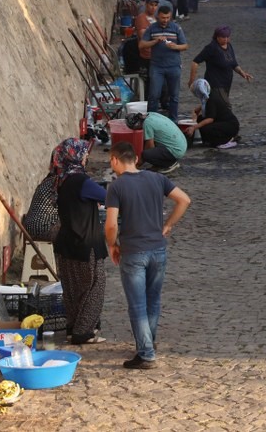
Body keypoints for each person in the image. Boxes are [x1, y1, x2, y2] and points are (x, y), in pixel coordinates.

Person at [105, 142, 191, 370]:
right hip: (158, 249)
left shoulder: (116, 187)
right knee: (153, 299)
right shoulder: (156, 179)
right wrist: (168, 225)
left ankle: (146, 353)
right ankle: (148, 342)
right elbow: (184, 200)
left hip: (133, 251)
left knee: (137, 304)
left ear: (115, 160)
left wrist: (112, 245)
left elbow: (111, 225)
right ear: (135, 158)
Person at [50, 139, 107, 346]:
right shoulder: (81, 181)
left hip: (66, 243)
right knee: (94, 286)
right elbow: (108, 196)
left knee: (73, 288)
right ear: (75, 156)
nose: (86, 157)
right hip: (85, 243)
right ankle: (84, 332)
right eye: (84, 154)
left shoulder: (62, 180)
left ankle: (72, 327)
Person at [139, 1, 187, 123]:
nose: (165, 20)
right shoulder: (152, 28)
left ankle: (173, 120)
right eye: (163, 18)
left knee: (174, 96)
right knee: (154, 95)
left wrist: (176, 47)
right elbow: (142, 44)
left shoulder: (176, 28)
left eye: (167, 17)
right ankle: (151, 121)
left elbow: (185, 45)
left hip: (174, 66)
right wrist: (155, 42)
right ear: (158, 16)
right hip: (157, 67)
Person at [189, 26, 252, 102]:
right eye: (223, 37)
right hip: (215, 85)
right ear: (217, 37)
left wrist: (242, 73)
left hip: (226, 83)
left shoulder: (229, 46)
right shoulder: (211, 48)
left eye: (227, 37)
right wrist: (192, 82)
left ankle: (198, 112)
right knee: (224, 106)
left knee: (214, 108)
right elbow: (195, 62)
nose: (226, 39)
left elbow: (233, 63)